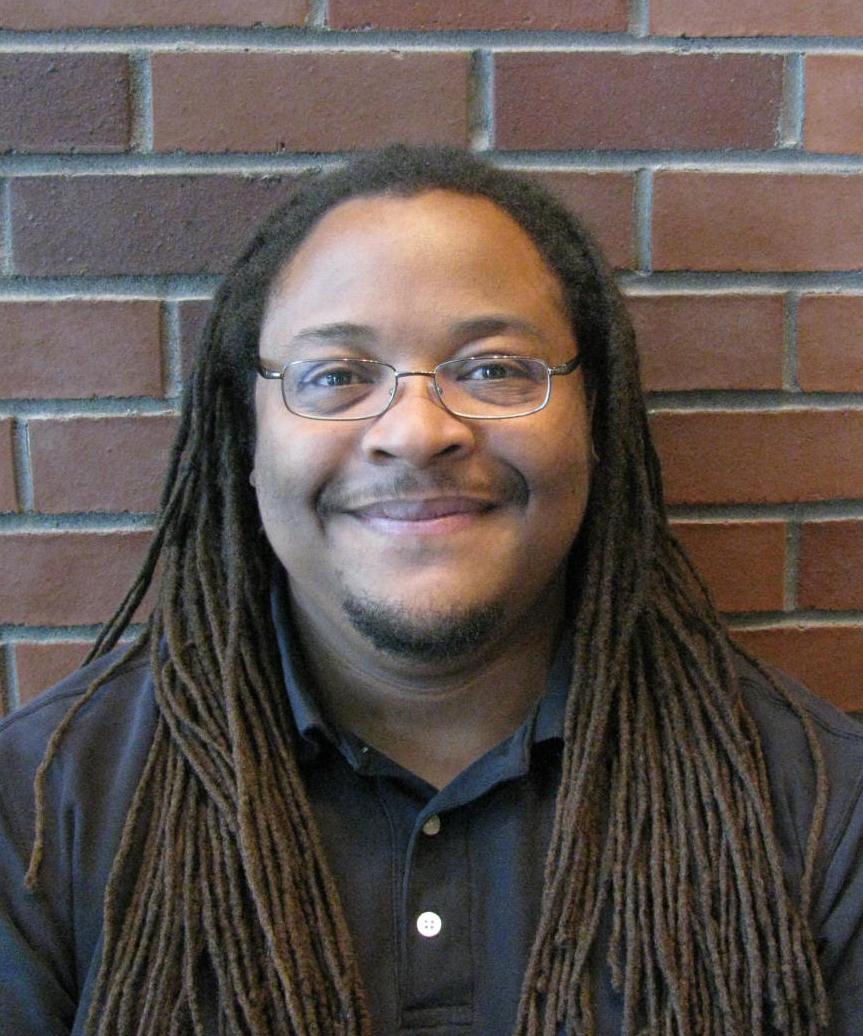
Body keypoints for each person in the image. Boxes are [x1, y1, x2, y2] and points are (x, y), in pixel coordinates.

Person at [1, 144, 861, 1036]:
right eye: (336, 376)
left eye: (493, 368)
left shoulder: (822, 812)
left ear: (594, 419)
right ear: (245, 436)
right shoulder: (38, 811)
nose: (415, 432)